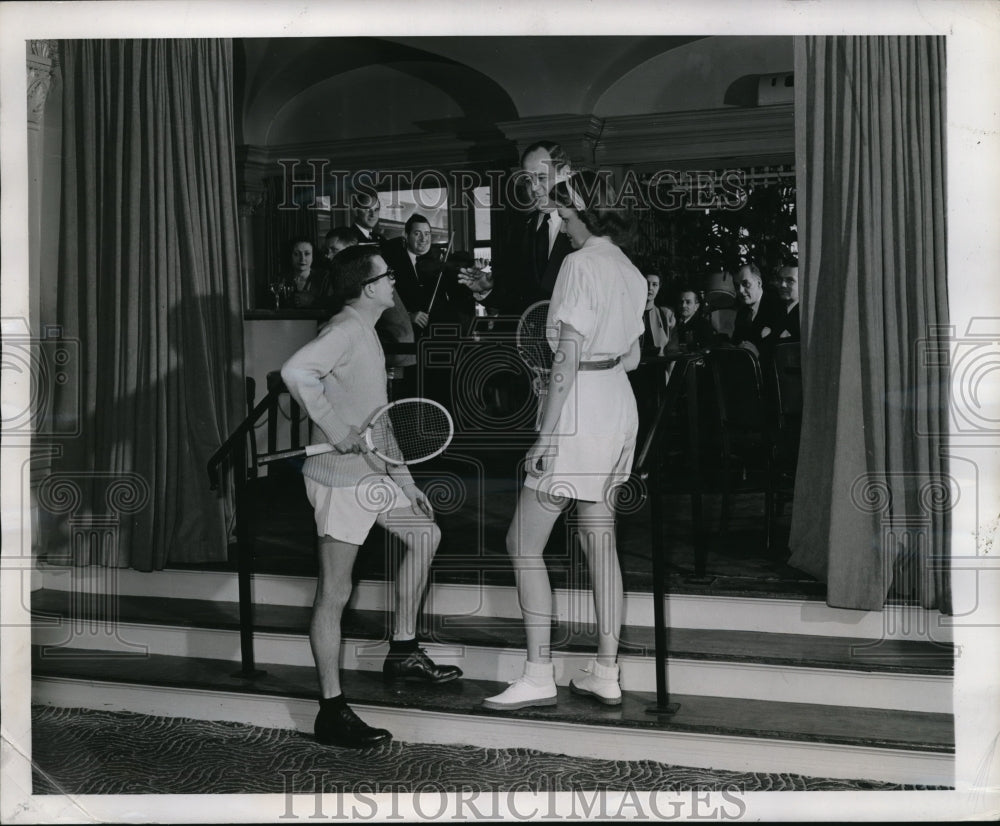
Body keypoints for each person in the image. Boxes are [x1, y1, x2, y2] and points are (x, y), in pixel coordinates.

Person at [280, 245, 461, 749]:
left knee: (425, 534)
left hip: (370, 472)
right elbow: (296, 373)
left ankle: (402, 647)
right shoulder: (342, 330)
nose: (394, 282)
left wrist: (405, 484)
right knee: (335, 592)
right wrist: (335, 429)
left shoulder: (368, 334)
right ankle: (331, 709)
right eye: (387, 276)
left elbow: (378, 423)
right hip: (339, 480)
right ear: (367, 288)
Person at [482, 169, 646, 711]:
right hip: (617, 405)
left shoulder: (578, 265)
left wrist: (544, 437)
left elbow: (567, 358)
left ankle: (538, 673)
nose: (559, 218)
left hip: (578, 412)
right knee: (600, 541)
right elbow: (632, 358)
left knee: (522, 543)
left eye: (565, 211)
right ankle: (606, 670)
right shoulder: (629, 270)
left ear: (585, 212)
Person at [458, 141, 575, 314]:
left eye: (541, 178)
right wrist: (486, 289)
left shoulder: (587, 229)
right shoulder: (518, 230)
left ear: (565, 174)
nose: (534, 188)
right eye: (528, 180)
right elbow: (514, 299)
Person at [731, 262, 785, 356]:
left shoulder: (778, 307)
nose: (740, 290)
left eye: (745, 284)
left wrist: (759, 353)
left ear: (759, 283)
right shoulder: (742, 313)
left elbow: (782, 349)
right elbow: (735, 343)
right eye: (737, 285)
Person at [282, 237, 332, 311]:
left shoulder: (324, 278)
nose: (302, 259)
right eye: (296, 254)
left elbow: (332, 305)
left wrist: (313, 302)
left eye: (307, 254)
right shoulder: (282, 279)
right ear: (290, 256)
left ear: (313, 256)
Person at [640, 273, 676, 357]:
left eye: (654, 285)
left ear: (659, 287)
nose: (650, 288)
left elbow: (672, 348)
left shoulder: (666, 315)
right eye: (646, 283)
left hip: (659, 366)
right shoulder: (631, 314)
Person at [773, 262, 800, 342]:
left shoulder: (807, 313)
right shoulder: (774, 308)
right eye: (780, 279)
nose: (782, 285)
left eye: (790, 280)